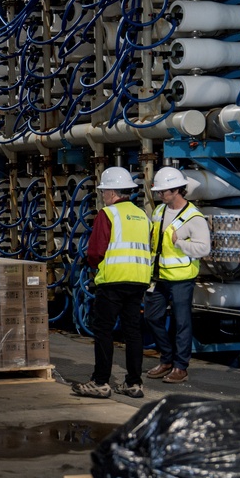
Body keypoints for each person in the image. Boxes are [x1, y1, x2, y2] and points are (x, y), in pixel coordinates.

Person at [72, 167, 151, 399]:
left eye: (104, 191)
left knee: (103, 330)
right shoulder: (142, 216)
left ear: (113, 193)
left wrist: (92, 265)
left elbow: (96, 252)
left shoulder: (107, 214)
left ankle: (100, 381)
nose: (103, 195)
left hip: (113, 280)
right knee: (133, 331)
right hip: (138, 280)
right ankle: (134, 383)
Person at [145, 166, 211, 385]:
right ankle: (166, 359)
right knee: (152, 316)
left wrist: (180, 243)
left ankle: (180, 367)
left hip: (182, 278)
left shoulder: (194, 217)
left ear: (177, 190)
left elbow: (204, 249)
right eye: (159, 191)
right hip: (159, 277)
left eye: (163, 191)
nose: (160, 195)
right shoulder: (158, 212)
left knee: (182, 323)